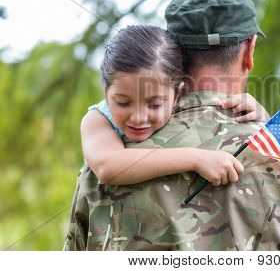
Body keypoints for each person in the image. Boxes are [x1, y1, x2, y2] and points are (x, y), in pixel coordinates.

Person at [64, 0, 280, 251]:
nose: (138, 116)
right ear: (249, 51)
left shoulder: (108, 162)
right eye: (123, 102)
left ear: (174, 56)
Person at [81, 25, 269, 187]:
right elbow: (108, 167)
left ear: (178, 94)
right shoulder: (98, 119)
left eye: (154, 105)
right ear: (106, 92)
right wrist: (197, 159)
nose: (138, 117)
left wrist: (263, 118)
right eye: (123, 102)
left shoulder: (188, 108)